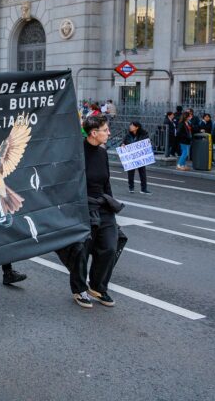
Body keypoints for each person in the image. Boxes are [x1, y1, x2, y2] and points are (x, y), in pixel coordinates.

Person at [74, 115, 125, 308]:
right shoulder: (77, 152)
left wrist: (111, 205)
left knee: (110, 247)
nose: (109, 133)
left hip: (102, 205)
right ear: (94, 133)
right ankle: (79, 289)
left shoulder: (102, 153)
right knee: (82, 250)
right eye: (106, 130)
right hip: (83, 207)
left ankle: (97, 286)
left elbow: (106, 182)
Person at [122, 121, 151, 194]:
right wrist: (122, 145)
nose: (130, 127)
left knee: (142, 172)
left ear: (137, 127)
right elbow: (123, 142)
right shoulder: (128, 135)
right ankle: (131, 187)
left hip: (140, 156)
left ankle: (143, 189)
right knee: (130, 173)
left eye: (132, 126)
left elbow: (147, 142)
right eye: (130, 125)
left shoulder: (144, 134)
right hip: (131, 157)